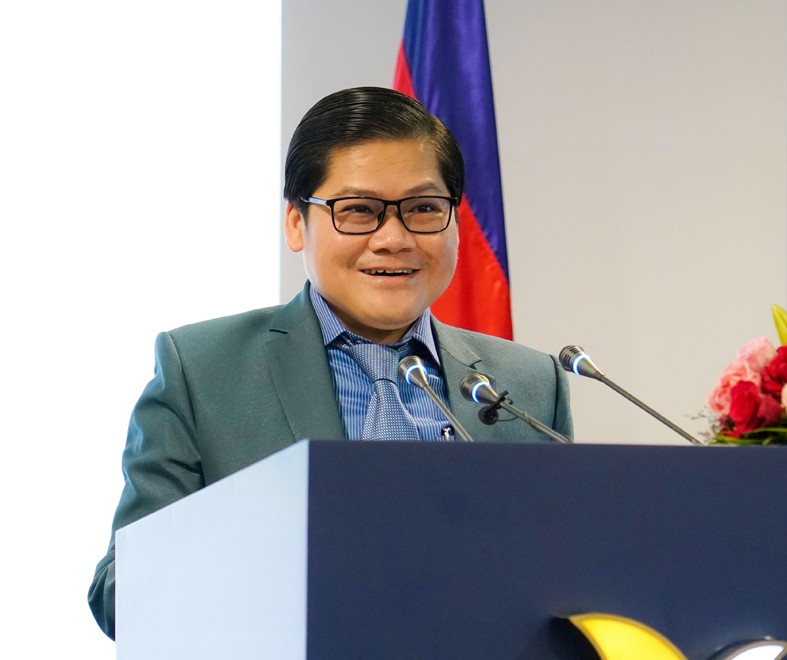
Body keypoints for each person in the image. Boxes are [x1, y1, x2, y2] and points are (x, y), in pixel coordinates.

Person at [87, 87, 572, 639]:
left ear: (455, 221)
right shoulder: (201, 370)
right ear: (296, 223)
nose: (394, 239)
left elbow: (566, 578)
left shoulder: (531, 384)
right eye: (359, 211)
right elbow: (120, 595)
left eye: (423, 209)